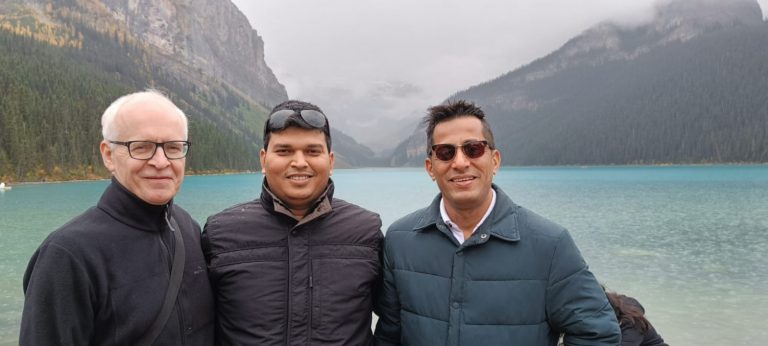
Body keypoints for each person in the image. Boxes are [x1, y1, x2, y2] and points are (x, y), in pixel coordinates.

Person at [374, 100, 621, 345]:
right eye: (445, 152)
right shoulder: (400, 240)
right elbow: (388, 336)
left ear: (495, 161)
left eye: (473, 149)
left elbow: (598, 334)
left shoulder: (550, 245)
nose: (460, 163)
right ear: (430, 167)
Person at [20, 90, 214, 345]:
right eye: (141, 147)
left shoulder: (188, 227)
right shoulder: (68, 254)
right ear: (108, 155)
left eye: (173, 147)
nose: (160, 161)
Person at [202, 100, 383, 345]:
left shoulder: (365, 231)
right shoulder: (219, 233)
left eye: (312, 151)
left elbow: (394, 321)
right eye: (284, 151)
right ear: (263, 159)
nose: (299, 162)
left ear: (330, 161)